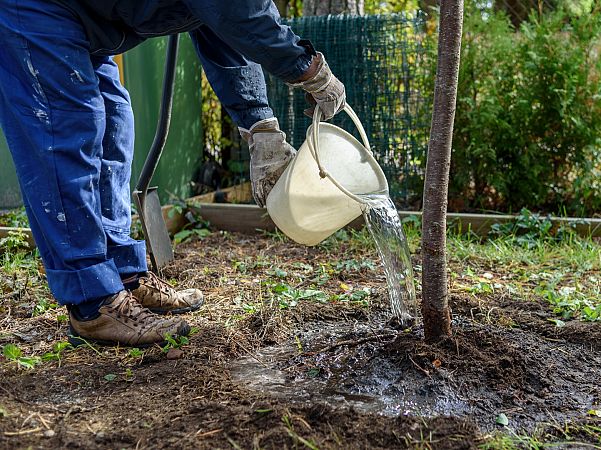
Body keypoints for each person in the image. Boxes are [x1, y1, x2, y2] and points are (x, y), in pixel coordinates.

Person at [0, 0, 346, 347]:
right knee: (67, 133)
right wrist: (307, 68)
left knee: (115, 124)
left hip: (90, 17)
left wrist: (259, 123)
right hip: (37, 11)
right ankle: (93, 302)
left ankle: (123, 274)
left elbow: (220, 25)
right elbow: (235, 10)